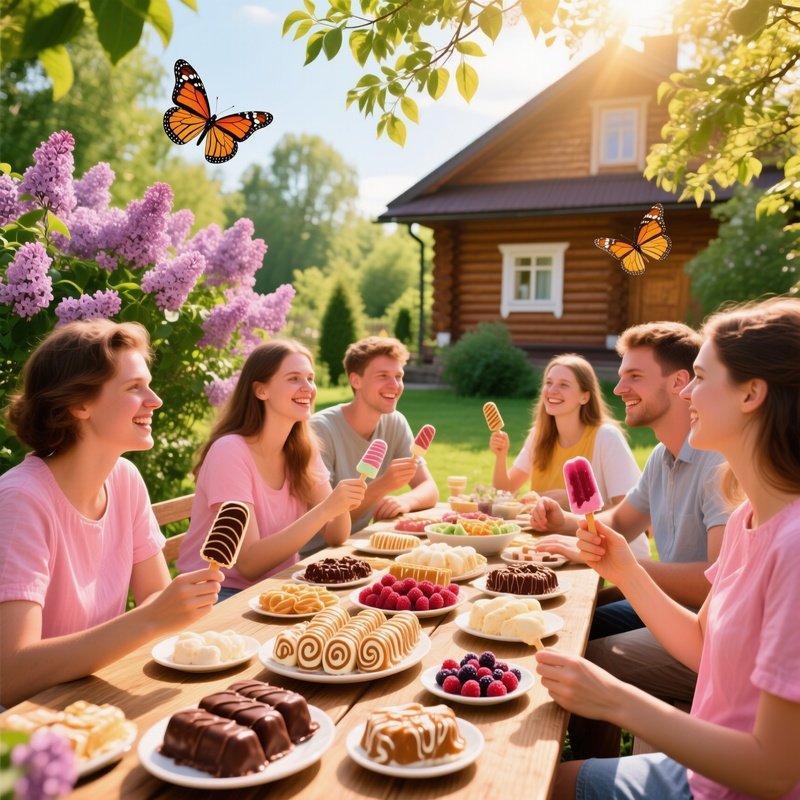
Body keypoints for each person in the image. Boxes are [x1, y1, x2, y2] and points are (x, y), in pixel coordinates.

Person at [535, 297, 800, 800]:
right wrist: (624, 566)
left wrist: (618, 702)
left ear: (751, 394)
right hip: (707, 774)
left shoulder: (793, 548)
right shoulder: (748, 518)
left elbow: (774, 772)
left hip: (735, 787)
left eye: (700, 376)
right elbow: (704, 648)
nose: (689, 392)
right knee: (549, 781)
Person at [531, 322, 730, 757]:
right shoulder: (662, 455)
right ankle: (590, 760)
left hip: (704, 631)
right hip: (673, 610)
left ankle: (591, 769)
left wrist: (621, 566)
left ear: (680, 382)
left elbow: (711, 584)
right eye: (621, 376)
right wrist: (562, 520)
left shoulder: (719, 463)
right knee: (579, 618)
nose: (618, 388)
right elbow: (621, 521)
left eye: (634, 376)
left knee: (585, 659)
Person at [0, 320, 221, 708]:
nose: (155, 400)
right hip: (27, 731)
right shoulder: (21, 501)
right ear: (78, 404)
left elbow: (155, 598)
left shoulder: (124, 479)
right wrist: (151, 618)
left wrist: (180, 606)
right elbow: (10, 676)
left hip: (97, 698)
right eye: (134, 388)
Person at [176, 340, 365, 600]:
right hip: (219, 594)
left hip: (278, 587)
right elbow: (250, 565)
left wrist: (340, 504)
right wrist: (325, 509)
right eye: (294, 378)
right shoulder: (230, 452)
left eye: (310, 378)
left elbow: (336, 535)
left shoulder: (302, 448)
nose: (308, 388)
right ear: (261, 390)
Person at [490, 353, 648, 557]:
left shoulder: (606, 438)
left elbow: (628, 513)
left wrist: (569, 501)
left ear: (585, 396)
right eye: (548, 382)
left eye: (564, 384)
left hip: (611, 558)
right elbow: (504, 491)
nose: (552, 390)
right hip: (552, 549)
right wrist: (501, 456)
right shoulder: (538, 437)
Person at [309, 336, 439, 547]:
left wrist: (404, 501)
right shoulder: (320, 430)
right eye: (383, 376)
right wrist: (382, 486)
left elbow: (429, 487)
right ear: (355, 380)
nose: (394, 385)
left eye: (399, 376)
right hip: (314, 555)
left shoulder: (394, 422)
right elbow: (328, 525)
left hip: (358, 544)